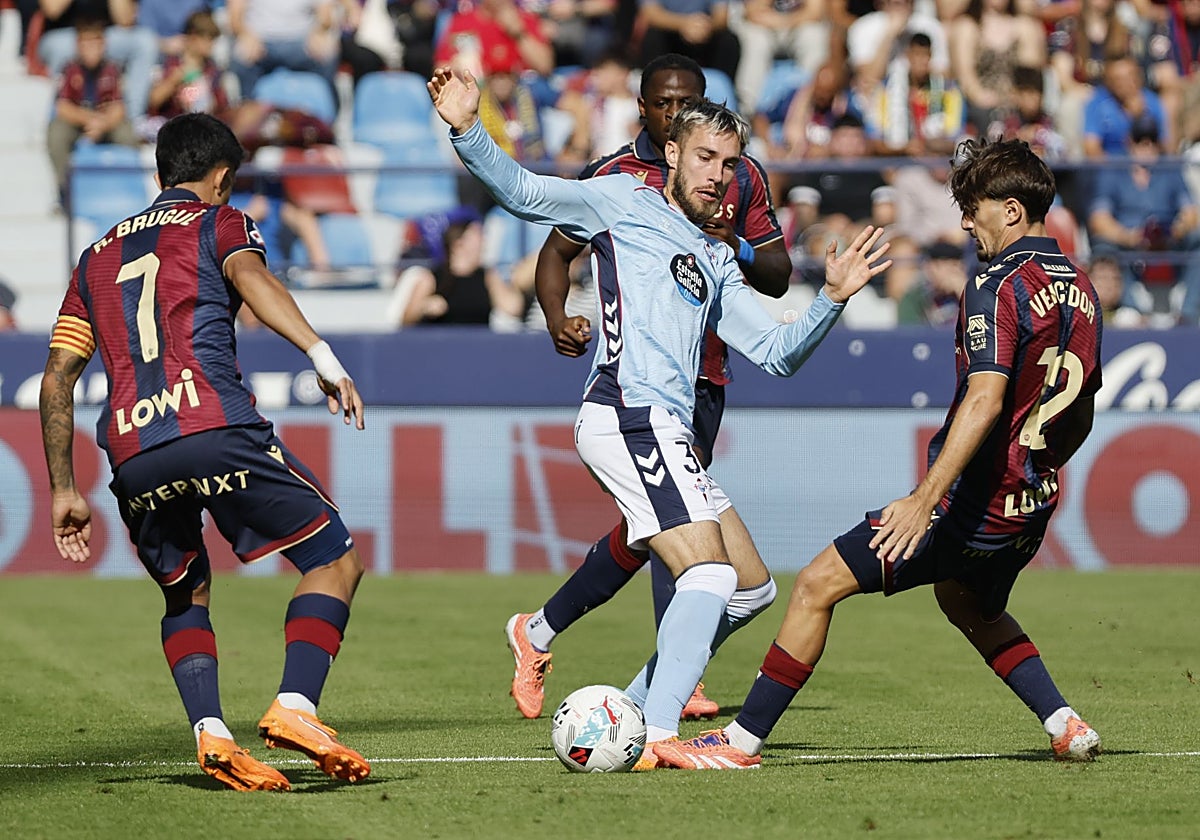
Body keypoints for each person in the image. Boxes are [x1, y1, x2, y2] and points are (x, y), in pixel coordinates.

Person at [427, 65, 892, 769]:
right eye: (705, 157)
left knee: (750, 588)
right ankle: (663, 734)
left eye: (729, 165)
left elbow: (776, 354)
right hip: (625, 412)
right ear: (672, 152)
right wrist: (468, 127)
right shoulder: (621, 199)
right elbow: (525, 193)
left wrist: (830, 299)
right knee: (707, 574)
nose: (718, 176)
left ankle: (634, 710)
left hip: (668, 427)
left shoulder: (714, 255)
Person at [656, 137, 1105, 771]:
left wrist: (924, 501)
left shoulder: (995, 283)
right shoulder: (1083, 287)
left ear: (1010, 210)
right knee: (967, 602)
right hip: (1030, 503)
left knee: (816, 584)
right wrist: (1038, 473)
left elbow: (984, 398)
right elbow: (1081, 407)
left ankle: (740, 742)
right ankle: (1065, 723)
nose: (965, 224)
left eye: (973, 209)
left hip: (968, 504)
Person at [38, 113, 371, 792]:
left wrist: (64, 488)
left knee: (184, 590)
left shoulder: (94, 257)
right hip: (213, 424)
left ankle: (211, 733)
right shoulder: (219, 222)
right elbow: (251, 278)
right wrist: (321, 354)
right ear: (221, 178)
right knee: (333, 559)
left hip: (133, 451)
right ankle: (295, 705)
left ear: (161, 172)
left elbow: (57, 378)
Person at [505, 53, 792, 724]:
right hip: (640, 384)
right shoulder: (614, 179)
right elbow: (556, 252)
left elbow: (777, 274)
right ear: (645, 110)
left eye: (688, 102)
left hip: (706, 377)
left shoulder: (736, 173)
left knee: (653, 530)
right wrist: (556, 317)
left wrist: (736, 246)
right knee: (680, 531)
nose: (676, 112)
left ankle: (541, 632)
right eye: (665, 103)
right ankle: (670, 691)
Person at [1087, 116, 1200, 324]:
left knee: (1197, 240)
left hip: (1168, 241)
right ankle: (1134, 312)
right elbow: (1099, 219)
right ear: (1130, 141)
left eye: (1152, 140)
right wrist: (1130, 237)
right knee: (1103, 246)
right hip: (1128, 243)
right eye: (1141, 140)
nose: (1147, 147)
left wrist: (1175, 231)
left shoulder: (1170, 169)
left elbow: (1190, 213)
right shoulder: (1114, 170)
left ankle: (1188, 314)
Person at [47, 16, 141, 201]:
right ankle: (65, 192)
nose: (91, 48)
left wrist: (103, 124)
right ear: (78, 45)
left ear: (103, 44)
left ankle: (129, 189)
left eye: (96, 42)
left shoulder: (112, 69)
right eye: (86, 43)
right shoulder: (69, 69)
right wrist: (90, 120)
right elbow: (63, 107)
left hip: (107, 123)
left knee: (127, 134)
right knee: (56, 133)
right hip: (78, 122)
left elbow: (119, 107)